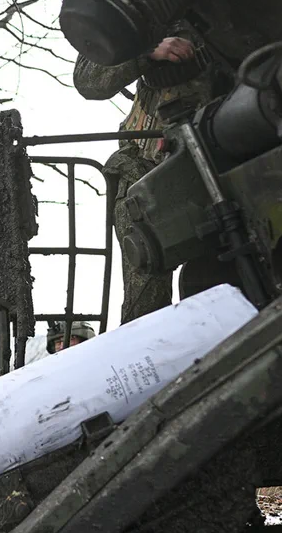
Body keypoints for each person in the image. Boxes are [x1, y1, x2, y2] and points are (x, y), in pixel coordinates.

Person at [74, 25, 231, 322]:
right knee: (147, 291)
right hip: (147, 171)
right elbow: (89, 79)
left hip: (224, 162)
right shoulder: (150, 2)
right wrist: (147, 50)